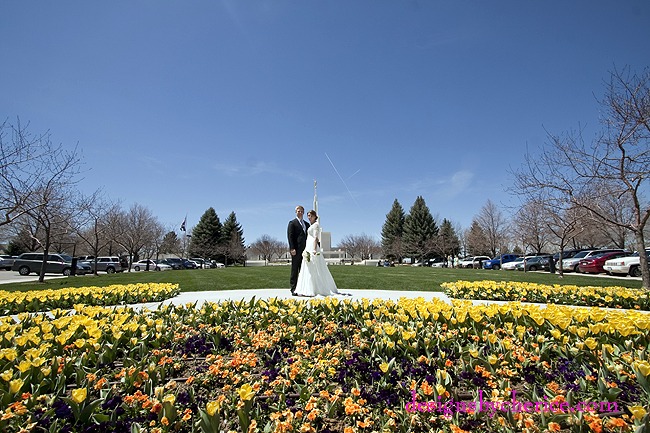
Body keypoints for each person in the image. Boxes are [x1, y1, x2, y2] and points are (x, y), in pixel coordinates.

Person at [294, 210, 344, 297]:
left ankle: (316, 288)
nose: (309, 217)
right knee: (308, 267)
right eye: (308, 216)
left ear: (314, 216)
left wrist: (314, 249)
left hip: (312, 247)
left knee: (315, 267)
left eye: (310, 216)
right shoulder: (311, 225)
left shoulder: (316, 225)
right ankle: (307, 288)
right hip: (308, 246)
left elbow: (315, 238)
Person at [287, 205, 309, 296]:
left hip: (305, 250)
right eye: (298, 211)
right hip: (296, 250)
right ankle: (293, 288)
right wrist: (292, 248)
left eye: (301, 211)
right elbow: (290, 236)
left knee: (304, 270)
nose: (300, 212)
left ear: (303, 212)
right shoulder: (292, 223)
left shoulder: (307, 224)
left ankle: (303, 288)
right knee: (295, 269)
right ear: (295, 212)